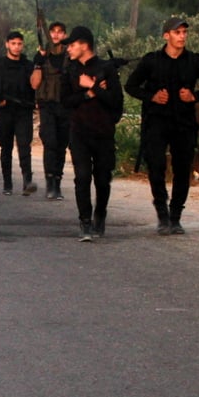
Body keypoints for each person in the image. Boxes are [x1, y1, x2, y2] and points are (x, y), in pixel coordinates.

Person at [126, 16, 199, 234]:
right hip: (157, 121)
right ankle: (162, 213)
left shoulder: (194, 61)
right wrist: (151, 96)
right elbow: (131, 85)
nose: (182, 37)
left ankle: (176, 216)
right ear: (166, 35)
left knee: (182, 168)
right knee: (156, 165)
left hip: (184, 122)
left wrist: (194, 96)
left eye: (184, 33)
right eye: (177, 32)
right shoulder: (151, 60)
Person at [59, 27, 123, 240]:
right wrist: (87, 94)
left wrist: (95, 87)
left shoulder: (107, 69)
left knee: (103, 179)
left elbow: (116, 103)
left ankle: (100, 215)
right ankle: (85, 221)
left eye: (72, 44)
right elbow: (65, 102)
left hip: (103, 133)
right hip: (79, 133)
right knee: (82, 177)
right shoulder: (69, 71)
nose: (68, 49)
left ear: (84, 44)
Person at [0, 30, 37, 194]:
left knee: (24, 145)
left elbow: (35, 86)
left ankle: (27, 180)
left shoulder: (28, 65)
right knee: (6, 147)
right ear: (7, 44)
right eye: (13, 43)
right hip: (4, 111)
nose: (16, 47)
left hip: (23, 111)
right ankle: (7, 183)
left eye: (19, 44)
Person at [31, 20, 70, 198]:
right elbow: (35, 84)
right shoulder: (42, 55)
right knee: (50, 143)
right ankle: (50, 184)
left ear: (65, 35)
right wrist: (38, 63)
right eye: (52, 31)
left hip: (65, 105)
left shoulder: (70, 55)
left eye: (59, 32)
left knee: (61, 144)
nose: (55, 34)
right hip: (47, 105)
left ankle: (57, 182)